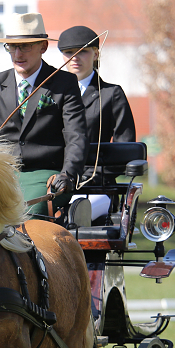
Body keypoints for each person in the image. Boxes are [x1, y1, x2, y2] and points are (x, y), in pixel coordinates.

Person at [0, 12, 87, 218]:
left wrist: (68, 175)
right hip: (2, 175)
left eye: (25, 46)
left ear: (43, 47)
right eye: (12, 47)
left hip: (47, 177)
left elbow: (76, 135)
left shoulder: (64, 83)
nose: (18, 54)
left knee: (27, 211)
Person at [59, 25, 136, 221]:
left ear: (95, 54)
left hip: (96, 185)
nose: (74, 58)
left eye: (82, 52)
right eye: (69, 52)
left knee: (75, 217)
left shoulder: (111, 95)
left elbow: (124, 147)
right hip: (54, 182)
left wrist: (93, 175)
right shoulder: (52, 95)